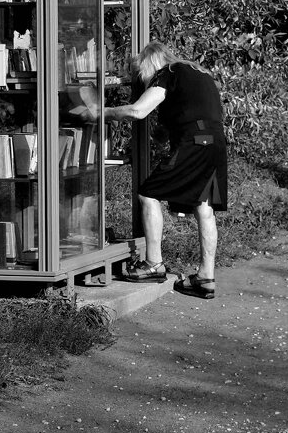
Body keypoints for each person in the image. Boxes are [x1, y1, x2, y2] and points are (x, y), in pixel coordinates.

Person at [97, 41, 226, 299]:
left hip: (194, 142)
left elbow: (138, 110)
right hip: (215, 142)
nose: (143, 80)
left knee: (148, 193)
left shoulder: (168, 73)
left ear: (150, 63)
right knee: (204, 205)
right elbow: (187, 110)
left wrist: (103, 112)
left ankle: (153, 263)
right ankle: (205, 277)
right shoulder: (198, 72)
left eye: (141, 74)